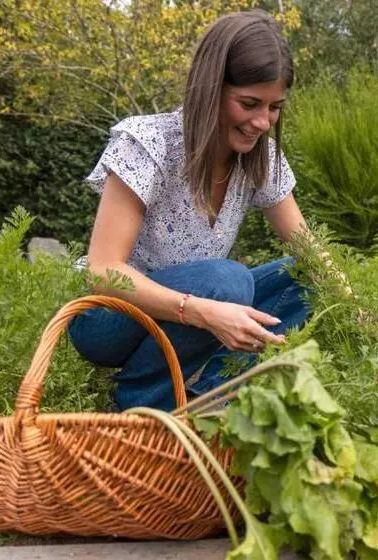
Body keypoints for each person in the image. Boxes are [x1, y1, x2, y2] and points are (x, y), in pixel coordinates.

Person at [68, 10, 313, 412]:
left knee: (306, 275)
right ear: (210, 88)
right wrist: (200, 311)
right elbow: (103, 271)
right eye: (249, 103)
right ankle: (139, 408)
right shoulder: (149, 142)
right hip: (109, 318)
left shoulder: (260, 159)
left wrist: (362, 308)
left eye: (274, 107)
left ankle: (209, 398)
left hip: (196, 306)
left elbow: (309, 248)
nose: (261, 122)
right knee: (228, 282)